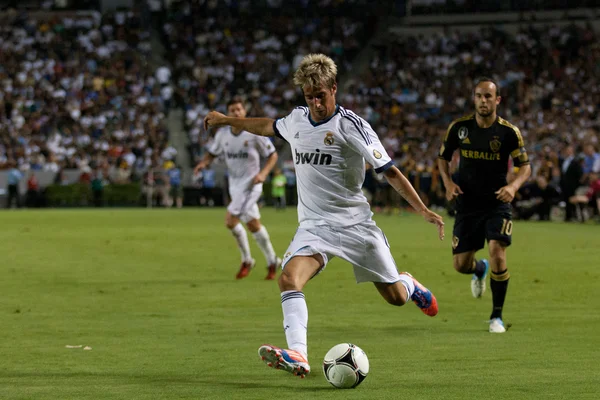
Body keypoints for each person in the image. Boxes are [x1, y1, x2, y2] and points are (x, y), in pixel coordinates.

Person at [203, 54, 444, 378]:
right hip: (315, 227)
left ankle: (408, 283)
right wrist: (227, 120)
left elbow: (389, 171)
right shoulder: (297, 119)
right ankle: (299, 354)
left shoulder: (352, 126)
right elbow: (266, 126)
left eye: (321, 95)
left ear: (334, 89)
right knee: (288, 278)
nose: (315, 103)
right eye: (309, 96)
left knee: (396, 298)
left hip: (356, 225)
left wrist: (423, 209)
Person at [438, 77, 532, 333]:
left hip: (496, 203)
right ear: (474, 99)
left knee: (497, 252)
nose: (483, 101)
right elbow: (443, 158)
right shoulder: (459, 128)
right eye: (479, 96)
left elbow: (525, 167)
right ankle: (479, 270)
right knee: (460, 266)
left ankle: (496, 317)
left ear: (497, 100)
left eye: (488, 96)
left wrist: (513, 187)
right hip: (467, 204)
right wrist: (447, 183)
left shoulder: (508, 132)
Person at [194, 97, 281, 280]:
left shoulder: (253, 133)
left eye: (239, 109)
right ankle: (272, 260)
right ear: (227, 113)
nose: (236, 113)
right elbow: (212, 153)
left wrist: (263, 174)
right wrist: (204, 163)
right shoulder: (222, 135)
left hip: (252, 185)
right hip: (235, 186)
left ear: (244, 111)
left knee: (230, 220)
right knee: (253, 224)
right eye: (232, 110)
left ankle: (247, 260)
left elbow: (273, 155)